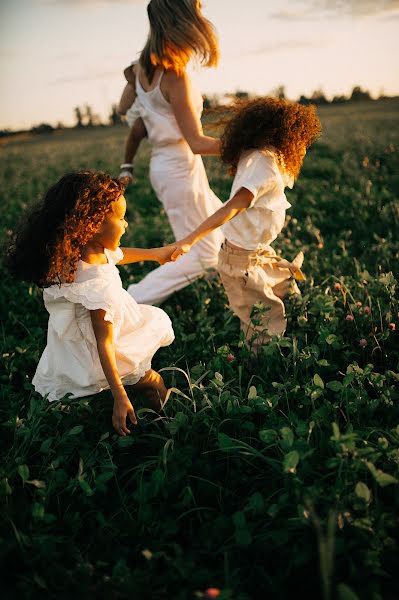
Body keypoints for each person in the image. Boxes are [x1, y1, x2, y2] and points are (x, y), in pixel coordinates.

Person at [6, 171, 179, 436]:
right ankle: (171, 428)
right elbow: (105, 342)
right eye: (121, 218)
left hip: (78, 348)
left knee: (88, 394)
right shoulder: (99, 288)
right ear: (93, 225)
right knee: (153, 382)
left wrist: (155, 255)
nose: (126, 225)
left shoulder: (74, 254)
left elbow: (116, 256)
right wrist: (120, 396)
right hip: (106, 349)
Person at [171, 97, 322, 351]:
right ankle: (260, 369)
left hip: (259, 254)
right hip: (241, 263)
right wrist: (190, 239)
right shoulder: (265, 166)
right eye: (302, 140)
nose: (304, 148)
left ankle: (296, 325)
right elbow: (231, 208)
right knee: (263, 327)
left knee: (286, 291)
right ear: (284, 135)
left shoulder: (260, 152)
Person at [118, 0, 225, 306]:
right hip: (179, 169)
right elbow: (197, 142)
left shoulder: (140, 70)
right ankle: (128, 302)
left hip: (170, 167)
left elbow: (122, 109)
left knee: (225, 225)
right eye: (197, 13)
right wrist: (248, 144)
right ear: (181, 22)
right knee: (199, 257)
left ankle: (239, 286)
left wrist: (134, 84)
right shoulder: (175, 76)